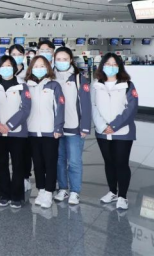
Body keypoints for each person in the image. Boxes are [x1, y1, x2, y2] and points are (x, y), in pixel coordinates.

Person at [92, 53, 138, 210]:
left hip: (123, 132)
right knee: (109, 162)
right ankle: (112, 191)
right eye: (107, 64)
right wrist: (102, 126)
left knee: (121, 163)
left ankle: (122, 196)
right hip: (102, 131)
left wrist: (114, 125)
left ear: (119, 67)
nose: (110, 67)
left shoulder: (128, 85)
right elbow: (93, 107)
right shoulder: (96, 85)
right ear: (102, 65)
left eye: (114, 64)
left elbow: (131, 108)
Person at [53, 47, 91, 205]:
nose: (61, 62)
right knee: (59, 160)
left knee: (74, 161)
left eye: (65, 59)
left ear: (70, 60)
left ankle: (75, 191)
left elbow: (86, 104)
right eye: (58, 59)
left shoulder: (79, 78)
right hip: (55, 128)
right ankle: (63, 188)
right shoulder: (50, 77)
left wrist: (85, 126)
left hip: (74, 127)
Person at [0, 55, 31, 209]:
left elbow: (25, 109)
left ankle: (17, 196)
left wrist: (9, 125)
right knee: (2, 165)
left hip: (17, 133)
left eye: (9, 65)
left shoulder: (22, 85)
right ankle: (4, 195)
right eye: (3, 66)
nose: (6, 68)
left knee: (18, 164)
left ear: (14, 67)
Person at [26, 55, 64, 209]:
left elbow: (60, 107)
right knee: (37, 163)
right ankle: (41, 190)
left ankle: (49, 192)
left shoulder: (54, 85)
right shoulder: (27, 86)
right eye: (36, 66)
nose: (39, 69)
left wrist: (58, 127)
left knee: (50, 162)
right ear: (31, 69)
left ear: (48, 68)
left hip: (50, 131)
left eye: (42, 66)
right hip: (32, 131)